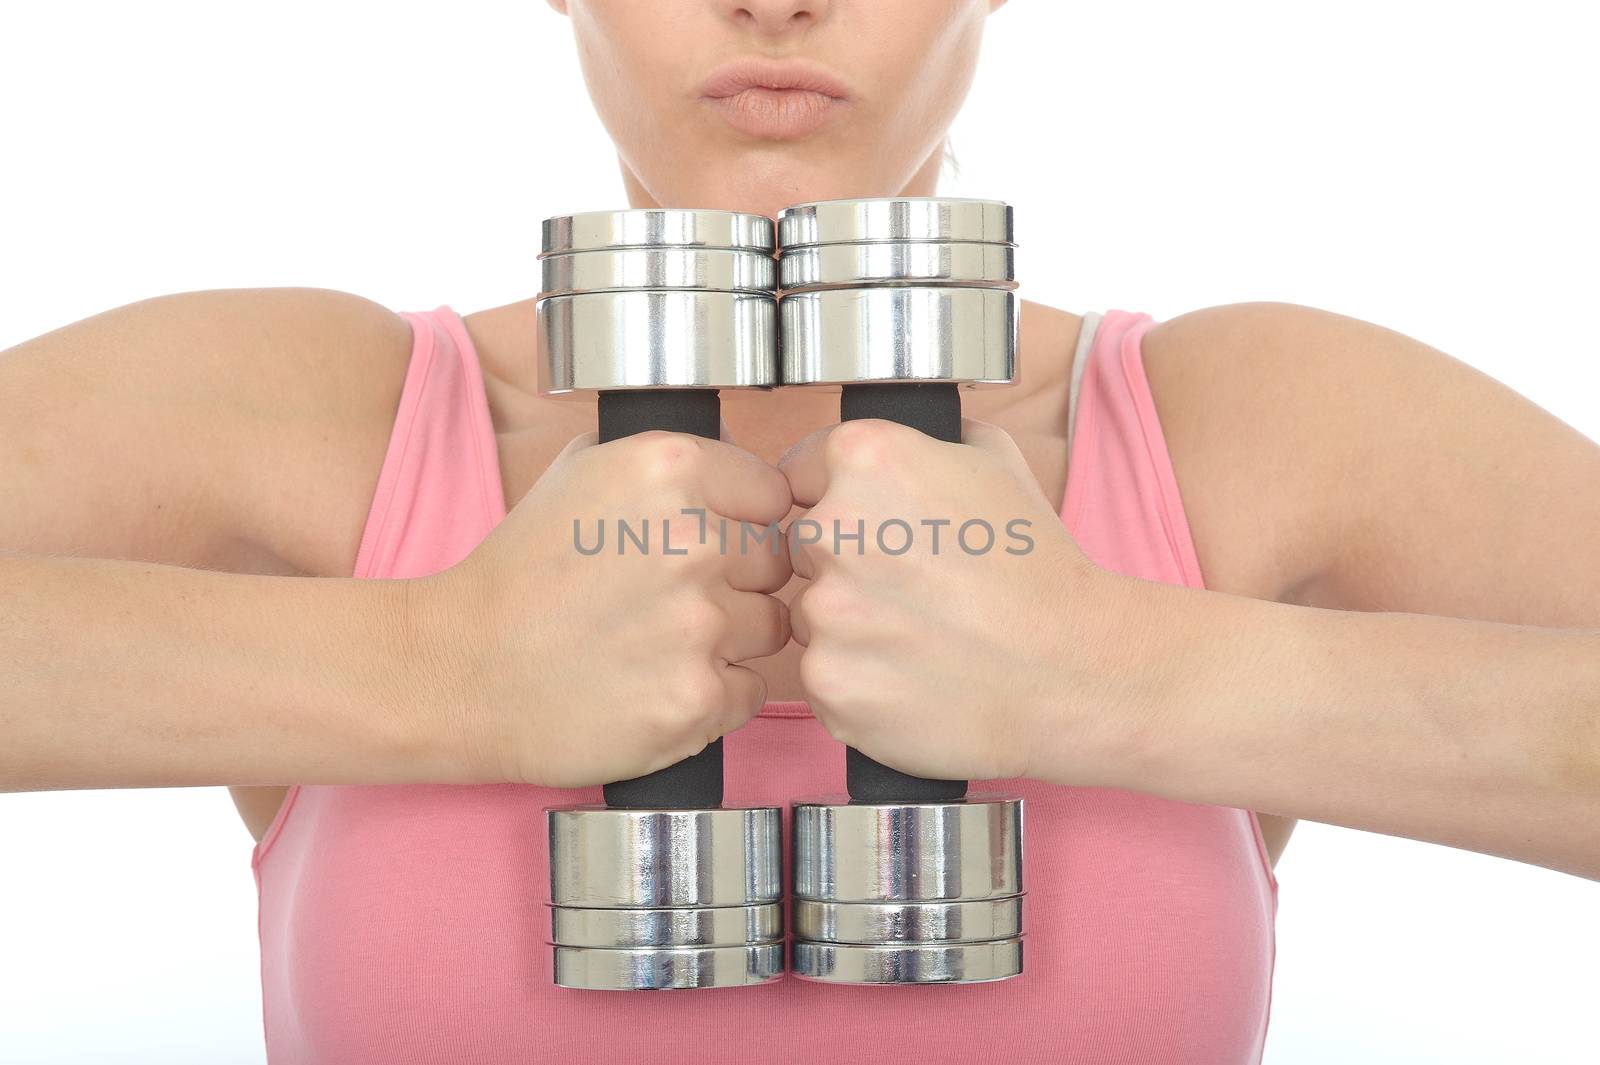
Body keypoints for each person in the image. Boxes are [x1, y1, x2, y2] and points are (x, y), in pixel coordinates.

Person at [2, 1, 1596, 1062]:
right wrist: (434, 664)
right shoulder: (324, 412)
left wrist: (1124, 672)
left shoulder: (1244, 423)